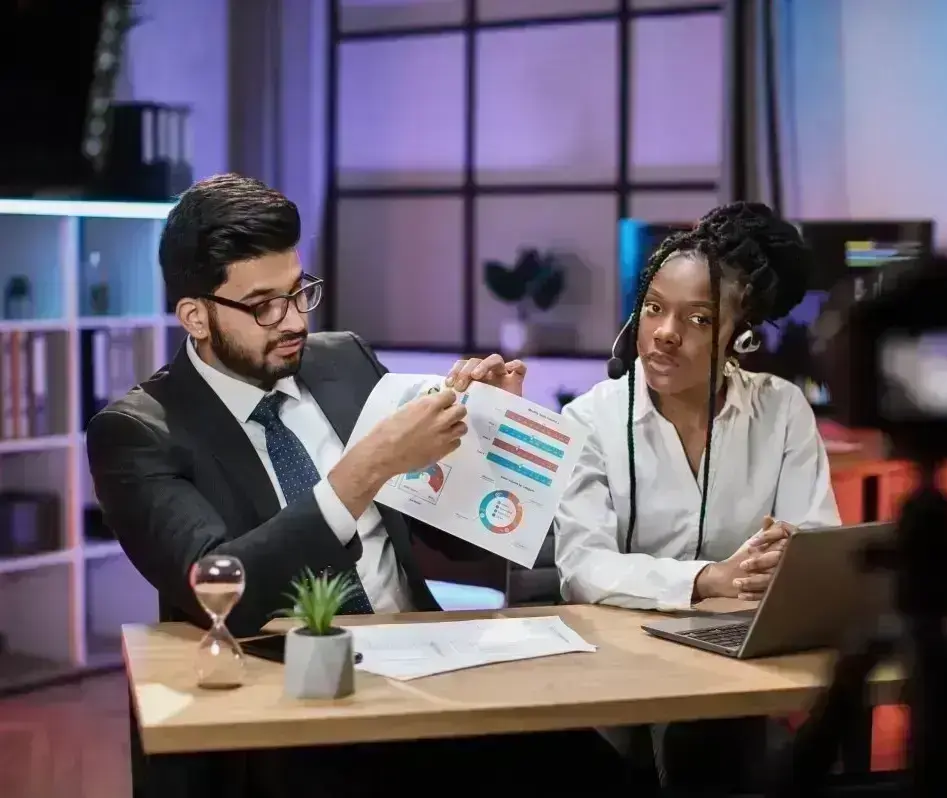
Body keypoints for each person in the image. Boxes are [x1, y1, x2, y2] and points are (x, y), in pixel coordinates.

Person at [87, 174, 635, 798]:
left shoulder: (344, 361)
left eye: (300, 292)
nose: (294, 321)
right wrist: (364, 470)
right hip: (288, 703)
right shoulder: (138, 431)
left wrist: (489, 435)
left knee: (595, 765)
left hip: (426, 669)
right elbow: (220, 588)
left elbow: (455, 538)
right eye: (264, 306)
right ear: (196, 316)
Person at [553, 201, 841, 792]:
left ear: (741, 335)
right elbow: (582, 567)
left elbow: (818, 542)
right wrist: (709, 578)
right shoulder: (589, 420)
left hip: (740, 672)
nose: (665, 333)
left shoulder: (782, 410)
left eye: (699, 319)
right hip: (618, 671)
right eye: (654, 308)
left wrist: (788, 558)